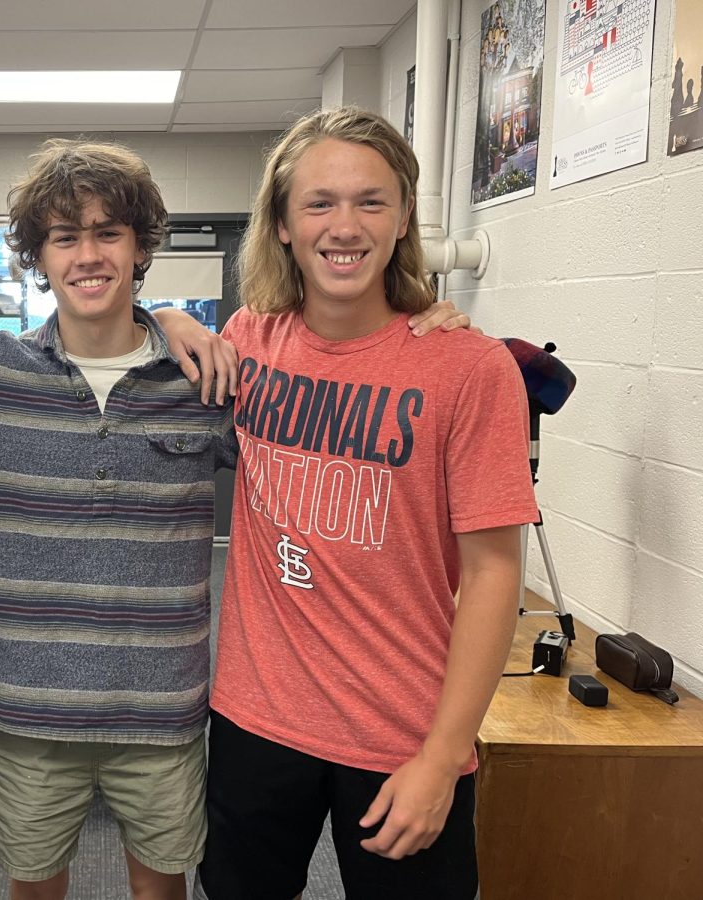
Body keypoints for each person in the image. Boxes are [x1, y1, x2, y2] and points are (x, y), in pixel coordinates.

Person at [0, 140, 472, 900]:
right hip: (28, 710)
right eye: (63, 236)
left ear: (142, 246)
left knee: (161, 886)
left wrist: (427, 320)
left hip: (163, 712)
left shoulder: (204, 377)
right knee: (35, 885)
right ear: (36, 256)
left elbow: (321, 391)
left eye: (109, 232)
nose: (88, 255)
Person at [198, 107, 537, 900]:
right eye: (319, 203)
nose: (343, 226)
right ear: (282, 223)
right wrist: (175, 316)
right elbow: (151, 341)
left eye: (370, 201)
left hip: (404, 731)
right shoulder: (253, 339)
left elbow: (493, 575)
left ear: (404, 216)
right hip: (256, 718)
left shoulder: (469, 369)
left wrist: (444, 756)